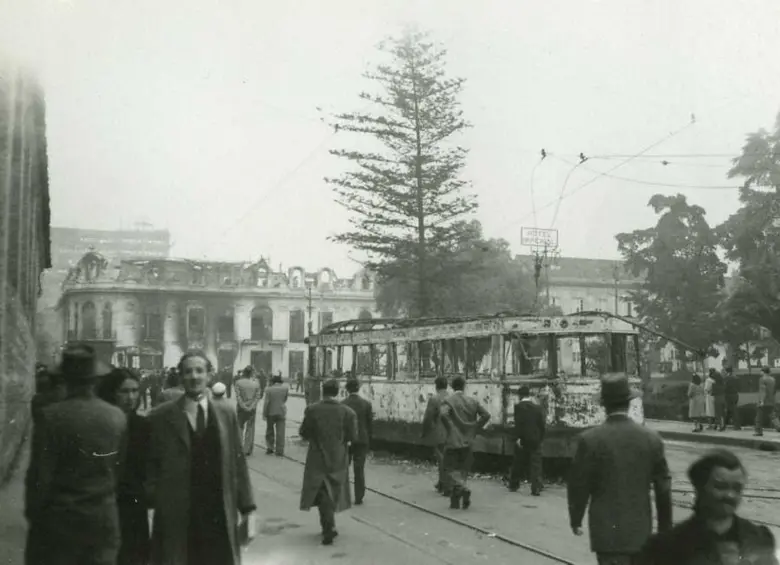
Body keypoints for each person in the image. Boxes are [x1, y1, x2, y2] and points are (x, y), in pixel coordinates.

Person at [146, 351, 256, 565]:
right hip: (178, 516)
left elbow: (238, 464)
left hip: (218, 512)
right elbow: (151, 467)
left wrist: (248, 509)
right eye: (188, 372)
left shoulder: (226, 413)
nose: (194, 376)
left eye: (199, 371)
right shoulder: (161, 417)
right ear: (180, 377)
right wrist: (154, 506)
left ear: (209, 375)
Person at [25, 344, 127, 565]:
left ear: (65, 379)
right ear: (95, 380)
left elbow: (40, 478)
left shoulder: (50, 417)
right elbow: (117, 469)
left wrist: (35, 516)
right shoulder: (116, 417)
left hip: (62, 523)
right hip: (103, 520)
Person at [567, 375, 672, 565]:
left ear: (604, 405)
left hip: (606, 536)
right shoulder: (651, 439)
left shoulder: (589, 440)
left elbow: (578, 485)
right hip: (640, 533)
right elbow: (663, 489)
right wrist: (665, 530)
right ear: (629, 403)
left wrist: (576, 519)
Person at [639, 449, 778, 565]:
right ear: (700, 488)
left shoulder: (760, 538)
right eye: (720, 487)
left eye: (737, 488)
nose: (730, 495)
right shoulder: (666, 547)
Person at [97, 368, 151, 565]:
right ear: (112, 393)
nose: (131, 397)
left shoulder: (143, 425)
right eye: (124, 391)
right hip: (105, 503)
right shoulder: (100, 424)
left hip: (134, 505)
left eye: (135, 391)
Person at [299, 379, 357, 545]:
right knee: (333, 489)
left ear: (322, 391)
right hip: (338, 456)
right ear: (337, 392)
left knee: (321, 489)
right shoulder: (348, 412)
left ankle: (328, 527)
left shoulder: (312, 409)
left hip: (317, 456)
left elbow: (304, 432)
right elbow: (352, 436)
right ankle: (329, 526)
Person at [439, 376, 491, 510]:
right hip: (468, 440)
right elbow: (486, 415)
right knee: (463, 468)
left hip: (453, 440)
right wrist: (475, 427)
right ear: (464, 386)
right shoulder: (472, 401)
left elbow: (443, 414)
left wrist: (451, 427)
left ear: (452, 387)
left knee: (449, 467)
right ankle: (456, 501)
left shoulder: (448, 401)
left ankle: (462, 488)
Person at [508, 385, 545, 496]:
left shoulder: (518, 407)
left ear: (519, 395)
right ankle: (536, 487)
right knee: (536, 464)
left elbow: (519, 425)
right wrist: (540, 438)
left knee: (518, 462)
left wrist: (518, 438)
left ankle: (514, 484)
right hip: (535, 439)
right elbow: (542, 425)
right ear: (529, 394)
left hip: (523, 439)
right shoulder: (537, 408)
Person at [341, 379, 373, 505]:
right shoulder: (366, 404)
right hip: (361, 440)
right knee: (359, 469)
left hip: (347, 441)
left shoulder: (342, 404)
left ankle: (343, 495)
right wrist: (369, 441)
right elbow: (370, 425)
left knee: (344, 467)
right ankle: (359, 497)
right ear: (358, 388)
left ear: (347, 389)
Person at [421, 376, 450, 495]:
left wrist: (424, 431)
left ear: (436, 386)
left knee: (441, 458)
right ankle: (441, 482)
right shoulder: (452, 397)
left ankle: (445, 485)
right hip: (452, 433)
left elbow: (428, 417)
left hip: (439, 433)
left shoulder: (434, 399)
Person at [235, 367, 263, 455]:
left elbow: (238, 396)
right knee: (250, 428)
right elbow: (257, 397)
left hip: (240, 408)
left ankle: (239, 448)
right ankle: (247, 449)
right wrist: (251, 406)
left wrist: (243, 405)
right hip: (252, 409)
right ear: (251, 373)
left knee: (240, 427)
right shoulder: (256, 383)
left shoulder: (238, 382)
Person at [263, 374, 289, 456]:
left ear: (273, 382)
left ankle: (270, 448)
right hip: (281, 412)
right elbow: (285, 399)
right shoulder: (285, 388)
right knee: (281, 432)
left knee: (270, 430)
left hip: (271, 412)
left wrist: (264, 413)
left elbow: (266, 402)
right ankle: (280, 450)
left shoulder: (268, 389)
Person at [755, 366, 779, 437]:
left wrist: (761, 401)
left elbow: (763, 390)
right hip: (771, 401)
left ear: (763, 372)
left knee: (758, 417)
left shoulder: (762, 379)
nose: (760, 372)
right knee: (773, 416)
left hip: (764, 401)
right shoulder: (773, 379)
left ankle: (759, 431)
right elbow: (774, 391)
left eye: (761, 371)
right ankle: (778, 426)